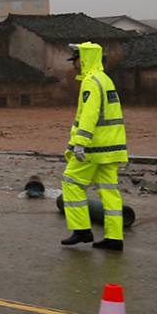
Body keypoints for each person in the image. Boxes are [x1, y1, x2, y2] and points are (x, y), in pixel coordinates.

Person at [60, 42, 128, 250]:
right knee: (109, 192)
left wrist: (80, 143)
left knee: (71, 184)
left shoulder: (91, 82)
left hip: (93, 148)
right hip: (113, 148)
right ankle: (115, 238)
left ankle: (81, 230)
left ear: (86, 59)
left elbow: (89, 115)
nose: (74, 65)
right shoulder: (105, 80)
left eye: (76, 61)